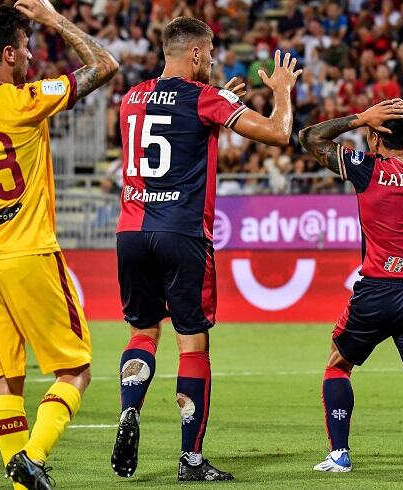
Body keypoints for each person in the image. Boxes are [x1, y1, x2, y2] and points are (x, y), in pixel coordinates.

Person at [111, 17, 301, 482]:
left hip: (131, 231)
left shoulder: (132, 98)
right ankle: (191, 460)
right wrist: (282, 91)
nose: (214, 60)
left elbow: (177, 128)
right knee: (192, 343)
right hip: (182, 233)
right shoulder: (205, 99)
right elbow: (278, 133)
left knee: (143, 331)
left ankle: (130, 409)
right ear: (195, 53)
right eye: (211, 52)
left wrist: (220, 105)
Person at [0, 1, 117, 488]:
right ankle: (32, 458)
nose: (33, 58)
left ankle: (21, 484)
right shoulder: (23, 101)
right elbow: (105, 66)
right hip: (29, 253)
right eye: (27, 48)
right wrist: (54, 20)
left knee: (5, 380)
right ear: (8, 54)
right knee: (75, 369)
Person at [299, 99, 403, 478]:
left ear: (374, 137)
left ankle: (339, 454)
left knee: (338, 364)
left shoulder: (368, 169)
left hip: (378, 291)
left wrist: (361, 117)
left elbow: (309, 137)